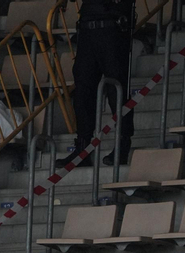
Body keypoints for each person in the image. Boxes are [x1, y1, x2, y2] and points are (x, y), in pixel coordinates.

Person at [64, 0, 132, 167]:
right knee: (82, 91)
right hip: (87, 28)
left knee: (116, 90)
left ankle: (122, 144)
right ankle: (83, 148)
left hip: (112, 27)